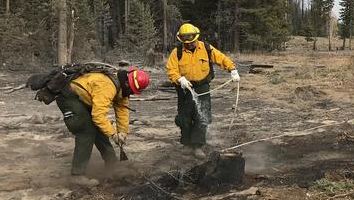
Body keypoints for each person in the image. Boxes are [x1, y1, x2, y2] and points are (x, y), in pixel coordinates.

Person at [56, 67, 150, 187]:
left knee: (100, 130)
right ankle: (77, 175)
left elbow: (122, 109)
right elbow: (98, 116)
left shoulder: (122, 88)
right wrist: (113, 134)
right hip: (69, 97)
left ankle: (112, 164)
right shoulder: (107, 86)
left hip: (85, 99)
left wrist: (123, 132)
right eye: (132, 90)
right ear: (127, 83)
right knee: (87, 131)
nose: (131, 93)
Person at [166, 23, 239, 159]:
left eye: (192, 42)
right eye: (186, 43)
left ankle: (198, 146)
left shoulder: (206, 48)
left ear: (196, 37)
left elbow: (221, 58)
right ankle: (187, 144)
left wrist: (232, 69)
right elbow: (171, 69)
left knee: (203, 115)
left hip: (202, 86)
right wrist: (180, 79)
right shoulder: (177, 52)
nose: (189, 44)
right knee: (184, 117)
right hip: (184, 88)